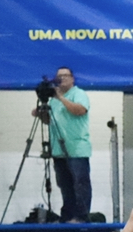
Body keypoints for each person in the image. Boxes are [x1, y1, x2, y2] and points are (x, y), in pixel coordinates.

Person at [31, 66, 92, 222]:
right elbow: (50, 121)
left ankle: (81, 216)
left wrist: (61, 98)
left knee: (80, 183)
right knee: (65, 185)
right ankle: (67, 215)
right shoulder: (53, 100)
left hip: (76, 149)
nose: (62, 79)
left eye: (65, 76)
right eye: (59, 77)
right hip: (58, 149)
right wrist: (40, 114)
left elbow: (79, 110)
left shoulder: (79, 94)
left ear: (72, 78)